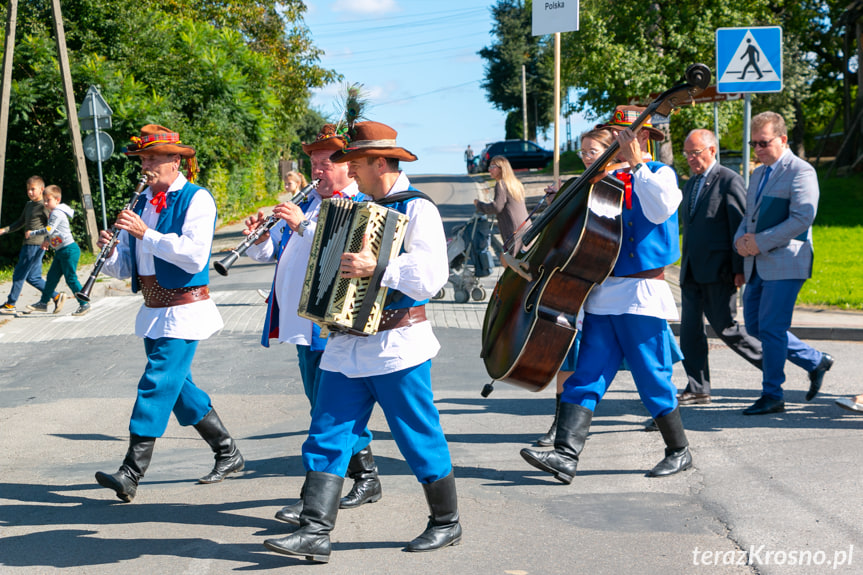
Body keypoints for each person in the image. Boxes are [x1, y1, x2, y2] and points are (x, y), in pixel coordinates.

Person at [263, 120, 460, 563]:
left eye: (354, 163)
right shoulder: (357, 207)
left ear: (377, 162)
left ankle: (446, 522)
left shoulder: (418, 208)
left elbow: (431, 277)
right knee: (326, 432)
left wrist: (380, 268)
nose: (347, 171)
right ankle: (315, 530)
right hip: (346, 343)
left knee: (417, 434)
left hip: (398, 343)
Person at [520, 105, 692, 482]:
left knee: (651, 375)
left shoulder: (659, 174)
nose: (616, 142)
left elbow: (661, 209)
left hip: (641, 293)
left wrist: (637, 164)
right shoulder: (602, 180)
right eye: (614, 135)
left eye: (623, 135)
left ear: (641, 137)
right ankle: (565, 455)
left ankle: (679, 450)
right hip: (602, 291)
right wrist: (560, 201)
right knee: (587, 373)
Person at [93, 124, 244, 502]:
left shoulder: (197, 199)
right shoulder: (142, 202)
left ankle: (131, 472)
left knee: (157, 382)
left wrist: (146, 233)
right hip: (153, 309)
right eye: (143, 159)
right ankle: (227, 451)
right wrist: (110, 250)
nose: (146, 165)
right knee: (177, 389)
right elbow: (126, 269)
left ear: (176, 161)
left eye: (153, 158)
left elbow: (194, 254)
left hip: (185, 308)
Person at [244, 124, 381, 524]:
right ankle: (366, 475)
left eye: (325, 163)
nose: (317, 170)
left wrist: (301, 225)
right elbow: (278, 255)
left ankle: (316, 499)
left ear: (349, 169)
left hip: (334, 326)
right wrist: (258, 239)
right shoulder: (312, 204)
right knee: (322, 408)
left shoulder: (359, 203)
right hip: (305, 328)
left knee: (328, 414)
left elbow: (340, 250)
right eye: (313, 164)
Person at [733, 111, 833, 415]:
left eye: (764, 143)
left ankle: (773, 394)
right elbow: (748, 217)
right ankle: (815, 360)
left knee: (773, 327)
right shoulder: (759, 174)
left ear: (783, 139)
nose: (759, 149)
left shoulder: (801, 171)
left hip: (787, 261)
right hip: (757, 262)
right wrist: (740, 241)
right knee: (755, 325)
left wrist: (759, 242)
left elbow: (803, 217)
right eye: (754, 144)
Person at [678, 129, 763, 405]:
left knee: (726, 328)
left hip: (719, 271)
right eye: (687, 153)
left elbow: (739, 226)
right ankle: (698, 387)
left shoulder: (729, 180)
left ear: (712, 150)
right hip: (691, 270)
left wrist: (739, 269)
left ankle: (771, 368)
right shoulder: (691, 184)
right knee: (690, 331)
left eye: (696, 152)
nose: (691, 158)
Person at [23, 185, 88, 316]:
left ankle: (84, 303)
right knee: (52, 277)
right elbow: (54, 233)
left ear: (57, 200)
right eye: (45, 200)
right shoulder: (54, 212)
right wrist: (47, 240)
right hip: (61, 251)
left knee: (70, 278)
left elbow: (49, 229)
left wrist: (33, 233)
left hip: (69, 250)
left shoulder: (57, 213)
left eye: (48, 200)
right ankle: (43, 302)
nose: (45, 203)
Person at [0, 176, 61, 314]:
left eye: (33, 189)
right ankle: (56, 296)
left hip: (35, 244)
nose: (30, 192)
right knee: (33, 277)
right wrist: (4, 230)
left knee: (19, 274)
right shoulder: (29, 205)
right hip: (29, 244)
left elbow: (52, 225)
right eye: (28, 189)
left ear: (41, 189)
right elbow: (20, 222)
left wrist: (48, 240)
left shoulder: (43, 206)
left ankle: (11, 304)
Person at [474, 155, 529, 255]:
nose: (489, 170)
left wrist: (479, 205)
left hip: (513, 229)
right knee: (520, 260)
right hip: (526, 226)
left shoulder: (501, 184)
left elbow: (496, 207)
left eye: (492, 167)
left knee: (512, 261)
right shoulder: (516, 184)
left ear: (501, 168)